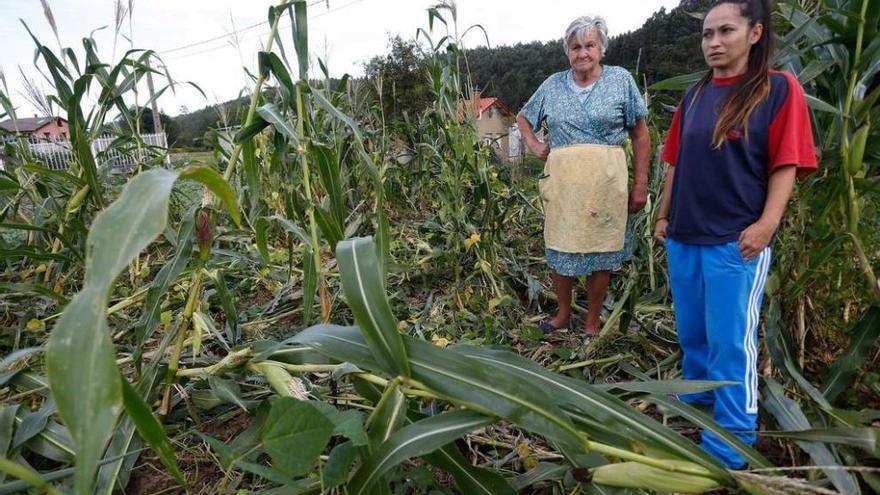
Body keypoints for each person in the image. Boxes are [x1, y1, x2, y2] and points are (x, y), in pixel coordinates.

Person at [654, 0, 817, 469]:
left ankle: (731, 446)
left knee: (730, 343)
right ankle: (701, 409)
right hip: (685, 235)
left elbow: (786, 161)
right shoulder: (695, 95)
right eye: (707, 34)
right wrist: (663, 219)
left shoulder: (777, 89)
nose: (714, 42)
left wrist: (766, 226)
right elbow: (675, 162)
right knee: (695, 336)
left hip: (735, 240)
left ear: (755, 33)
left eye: (725, 31)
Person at [516, 15, 651, 338]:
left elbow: (641, 135)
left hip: (606, 182)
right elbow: (523, 117)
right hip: (564, 182)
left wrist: (641, 183)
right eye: (575, 47)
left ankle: (592, 321)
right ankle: (563, 314)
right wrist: (534, 144)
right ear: (568, 52)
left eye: (589, 45)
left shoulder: (620, 81)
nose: (582, 53)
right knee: (560, 247)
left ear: (601, 48)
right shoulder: (552, 85)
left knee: (600, 251)